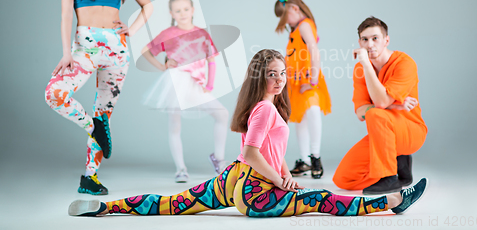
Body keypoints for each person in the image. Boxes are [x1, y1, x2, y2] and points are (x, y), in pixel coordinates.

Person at [68, 49, 427, 217]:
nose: (280, 79)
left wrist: (285, 173)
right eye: (272, 73)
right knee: (322, 200)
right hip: (255, 190)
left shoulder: (267, 108)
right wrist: (281, 182)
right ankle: (392, 202)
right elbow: (251, 153)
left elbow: (268, 151)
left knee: (172, 205)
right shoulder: (266, 107)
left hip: (234, 182)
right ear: (260, 77)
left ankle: (103, 208)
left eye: (282, 73)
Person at [44, 0, 153, 195]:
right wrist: (67, 51)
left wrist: (132, 29)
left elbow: (147, 6)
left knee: (105, 111)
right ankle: (92, 125)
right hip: (86, 46)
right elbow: (66, 13)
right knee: (55, 94)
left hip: (117, 49)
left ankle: (90, 178)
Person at [333, 17, 428, 195]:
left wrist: (367, 66)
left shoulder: (404, 63)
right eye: (365, 39)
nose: (370, 45)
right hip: (382, 135)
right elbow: (360, 113)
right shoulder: (359, 70)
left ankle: (389, 178)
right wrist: (395, 106)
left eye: (375, 38)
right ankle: (398, 165)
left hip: (411, 131)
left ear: (386, 40)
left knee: (376, 114)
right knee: (343, 179)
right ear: (359, 42)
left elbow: (380, 103)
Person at [141, 0, 228, 183]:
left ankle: (219, 159)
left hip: (196, 83)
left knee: (222, 114)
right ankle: (180, 169)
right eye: (178, 10)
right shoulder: (168, 34)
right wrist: (163, 66)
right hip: (176, 79)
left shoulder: (202, 34)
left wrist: (210, 84)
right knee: (175, 124)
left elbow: (211, 60)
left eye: (186, 9)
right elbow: (145, 51)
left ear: (193, 10)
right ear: (171, 13)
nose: (182, 13)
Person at [274, 0, 331, 179]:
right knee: (300, 118)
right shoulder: (296, 27)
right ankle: (304, 159)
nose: (286, 22)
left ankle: (315, 157)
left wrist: (313, 80)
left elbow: (314, 51)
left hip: (308, 80)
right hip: (295, 80)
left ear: (295, 9)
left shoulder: (305, 24)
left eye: (285, 17)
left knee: (312, 111)